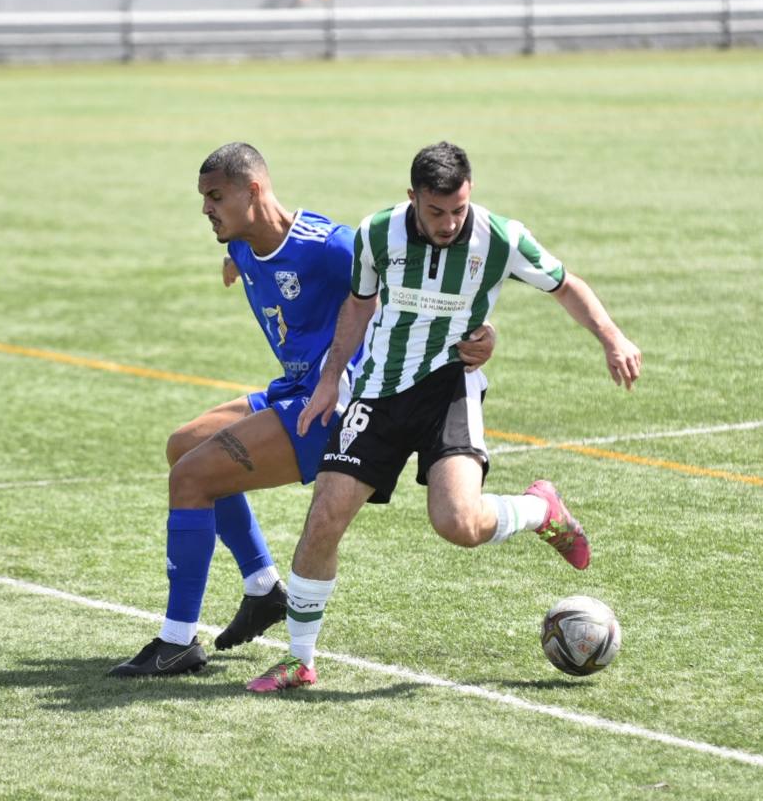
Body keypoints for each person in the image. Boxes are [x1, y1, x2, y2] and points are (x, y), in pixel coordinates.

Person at [246, 141, 643, 693]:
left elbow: (566, 286)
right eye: (437, 212)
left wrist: (612, 337)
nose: (450, 222)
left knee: (457, 524)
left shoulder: (502, 238)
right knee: (323, 520)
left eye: (459, 209)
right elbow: (359, 304)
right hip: (378, 391)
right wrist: (333, 378)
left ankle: (539, 509)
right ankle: (299, 660)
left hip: (449, 389)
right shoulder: (376, 233)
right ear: (413, 198)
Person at [108, 143, 496, 678]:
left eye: (215, 196)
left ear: (254, 191)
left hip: (331, 406)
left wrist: (478, 336)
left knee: (192, 479)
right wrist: (232, 260)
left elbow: (408, 289)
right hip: (292, 389)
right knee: (183, 446)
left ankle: (177, 642)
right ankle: (263, 589)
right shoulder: (243, 241)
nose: (205, 209)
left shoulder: (331, 246)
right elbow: (252, 258)